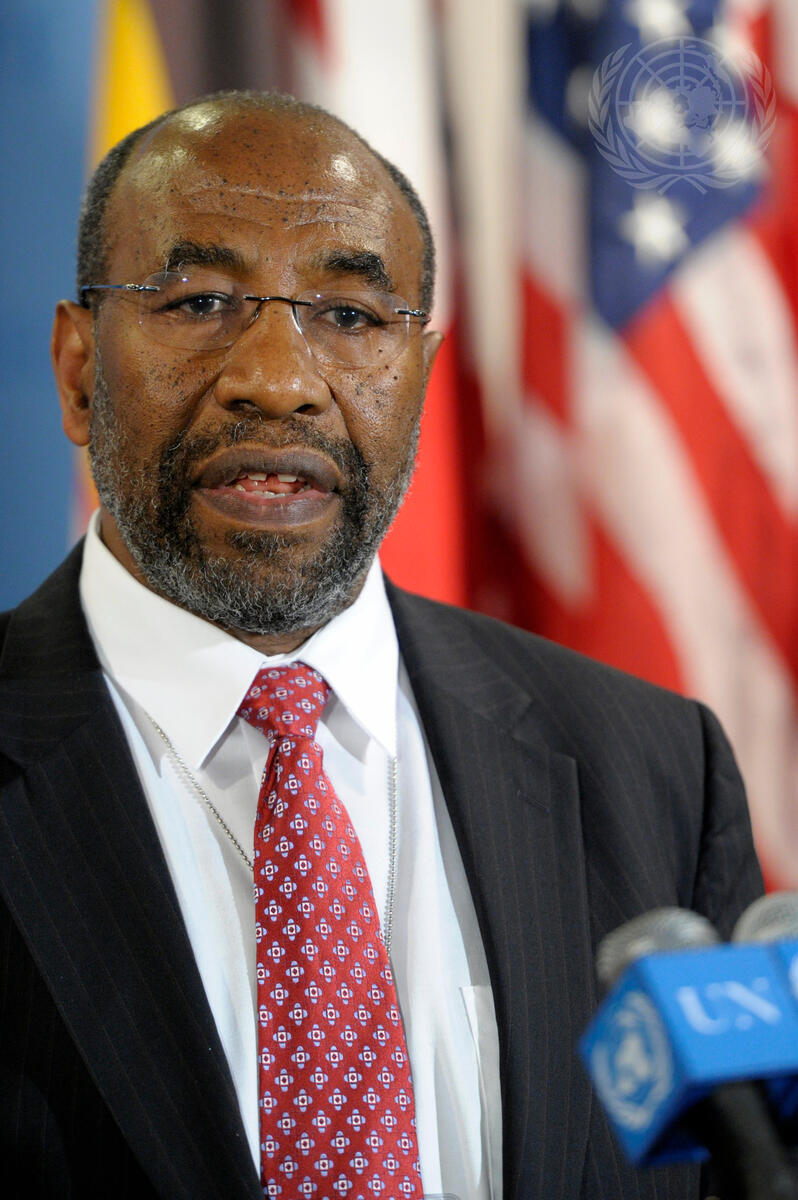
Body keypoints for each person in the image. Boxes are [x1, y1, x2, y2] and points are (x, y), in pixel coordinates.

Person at [0, 90, 762, 1200]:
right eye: (201, 301)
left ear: (419, 379)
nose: (278, 380)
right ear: (77, 372)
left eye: (353, 317)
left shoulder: (657, 771)